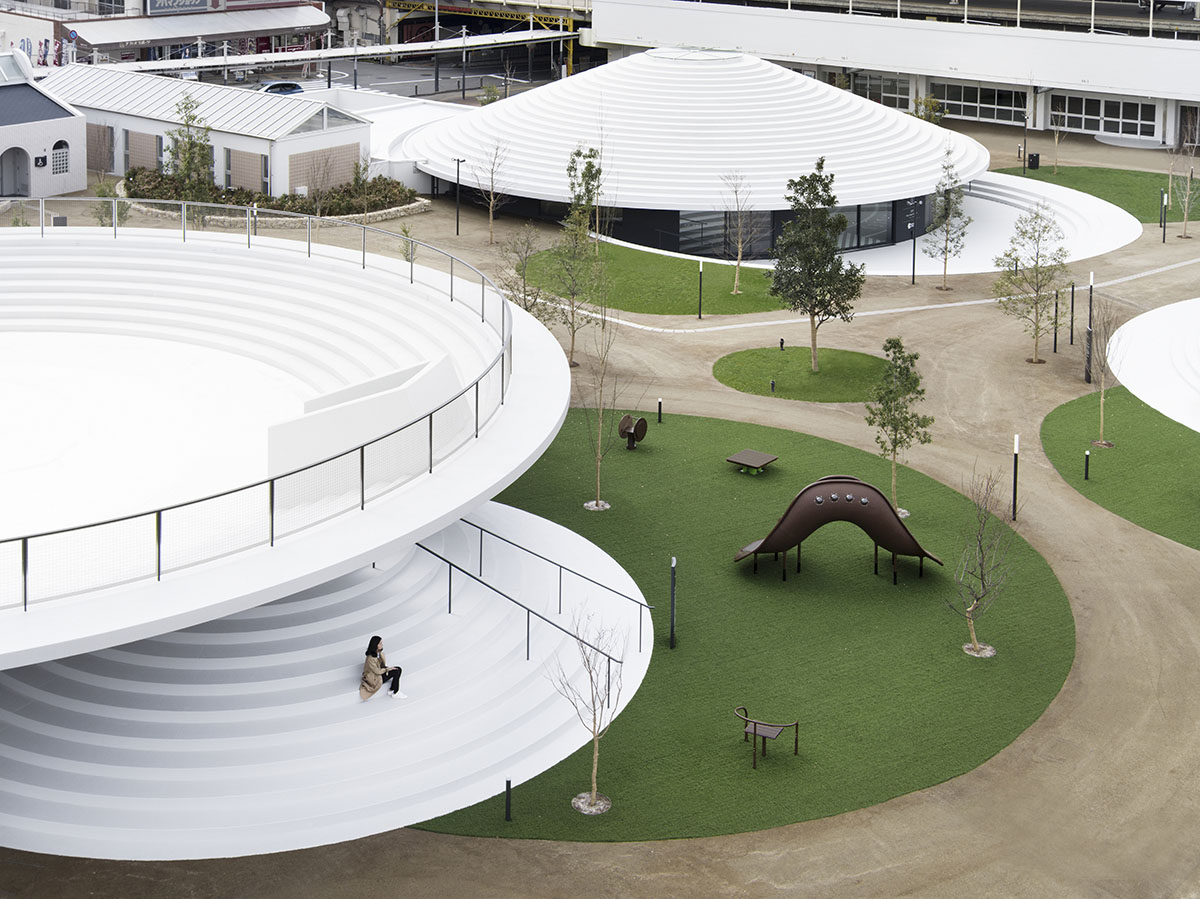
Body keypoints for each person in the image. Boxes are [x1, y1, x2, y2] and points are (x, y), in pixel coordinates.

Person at [360, 635, 405, 700]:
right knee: (396, 671)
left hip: (378, 674)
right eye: (380, 643)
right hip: (374, 679)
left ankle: (392, 689)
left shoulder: (377, 653)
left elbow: (383, 663)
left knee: (398, 669)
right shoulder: (370, 658)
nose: (382, 645)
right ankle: (396, 692)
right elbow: (377, 671)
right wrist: (387, 669)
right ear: (375, 645)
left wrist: (381, 653)